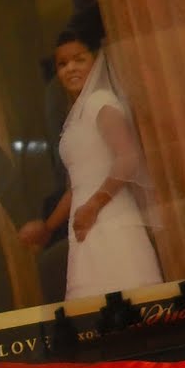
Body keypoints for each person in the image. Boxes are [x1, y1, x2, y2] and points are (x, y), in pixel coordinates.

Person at [18, 30, 163, 299]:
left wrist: (94, 205)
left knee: (129, 301)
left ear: (94, 61)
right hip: (86, 226)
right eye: (62, 64)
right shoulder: (76, 117)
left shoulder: (101, 103)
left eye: (78, 59)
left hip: (112, 221)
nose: (70, 68)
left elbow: (128, 158)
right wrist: (48, 228)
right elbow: (77, 186)